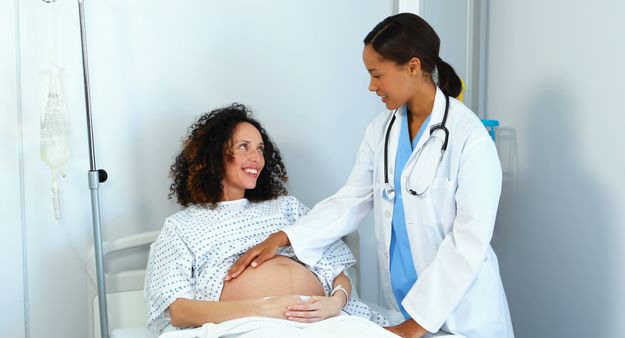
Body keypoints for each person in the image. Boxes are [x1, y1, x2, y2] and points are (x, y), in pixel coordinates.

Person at [227, 13, 514, 338]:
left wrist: (414, 325)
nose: (371, 86)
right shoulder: (381, 132)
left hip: (463, 314)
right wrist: (285, 238)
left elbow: (468, 242)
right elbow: (351, 201)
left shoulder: (470, 138)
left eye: (377, 75)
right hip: (403, 306)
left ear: (413, 67)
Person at [143, 103, 387, 333]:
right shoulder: (181, 227)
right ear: (215, 155)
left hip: (325, 321)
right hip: (248, 325)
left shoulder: (288, 208)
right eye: (243, 147)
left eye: (260, 149)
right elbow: (178, 311)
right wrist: (261, 308)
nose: (257, 158)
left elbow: (337, 270)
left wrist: (335, 303)